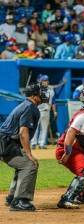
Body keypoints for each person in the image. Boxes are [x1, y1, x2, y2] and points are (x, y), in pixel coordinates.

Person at [0, 83, 48, 211]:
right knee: (29, 164)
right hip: (6, 143)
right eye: (40, 92)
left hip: (6, 142)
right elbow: (23, 132)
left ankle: (12, 197)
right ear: (34, 95)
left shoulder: (27, 105)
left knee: (23, 164)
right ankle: (20, 201)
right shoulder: (30, 107)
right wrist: (29, 153)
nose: (43, 94)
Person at [31, 75, 57, 149]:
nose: (46, 82)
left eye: (47, 80)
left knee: (44, 128)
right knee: (35, 128)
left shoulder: (51, 90)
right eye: (44, 80)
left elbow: (53, 102)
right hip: (37, 110)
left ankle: (41, 143)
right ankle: (33, 143)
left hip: (46, 111)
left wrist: (54, 111)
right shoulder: (37, 89)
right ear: (41, 81)